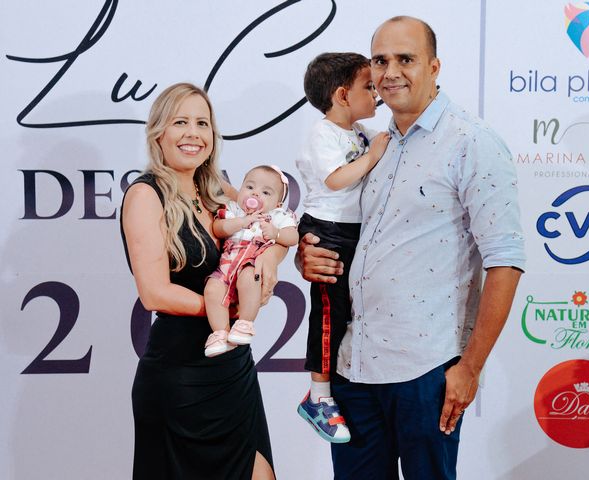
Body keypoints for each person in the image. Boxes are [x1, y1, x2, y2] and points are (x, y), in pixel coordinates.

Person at [297, 16, 525, 480]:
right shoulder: (370, 146)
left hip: (427, 371)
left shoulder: (472, 143)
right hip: (353, 365)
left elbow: (505, 261)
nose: (391, 72)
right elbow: (344, 226)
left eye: (406, 59)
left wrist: (470, 367)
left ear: (434, 67)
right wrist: (309, 254)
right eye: (380, 61)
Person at [120, 82, 281, 480]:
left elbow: (275, 223)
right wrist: (228, 307)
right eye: (180, 122)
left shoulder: (215, 191)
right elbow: (154, 293)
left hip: (233, 370)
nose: (193, 133)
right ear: (159, 132)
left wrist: (271, 259)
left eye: (202, 123)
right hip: (180, 379)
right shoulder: (146, 195)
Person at [295, 52, 390, 443]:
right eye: (368, 86)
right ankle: (318, 396)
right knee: (329, 313)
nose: (377, 92)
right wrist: (372, 156)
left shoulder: (358, 132)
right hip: (328, 231)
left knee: (349, 311)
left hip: (354, 231)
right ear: (341, 95)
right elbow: (335, 179)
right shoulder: (323, 134)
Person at [203, 165, 298, 357]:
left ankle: (244, 323)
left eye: (265, 192)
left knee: (249, 279)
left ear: (278, 204)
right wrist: (240, 222)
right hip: (227, 264)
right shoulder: (234, 210)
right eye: (249, 187)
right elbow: (217, 228)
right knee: (212, 289)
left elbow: (293, 237)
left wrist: (276, 234)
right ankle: (220, 333)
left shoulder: (277, 216)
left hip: (252, 262)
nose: (255, 193)